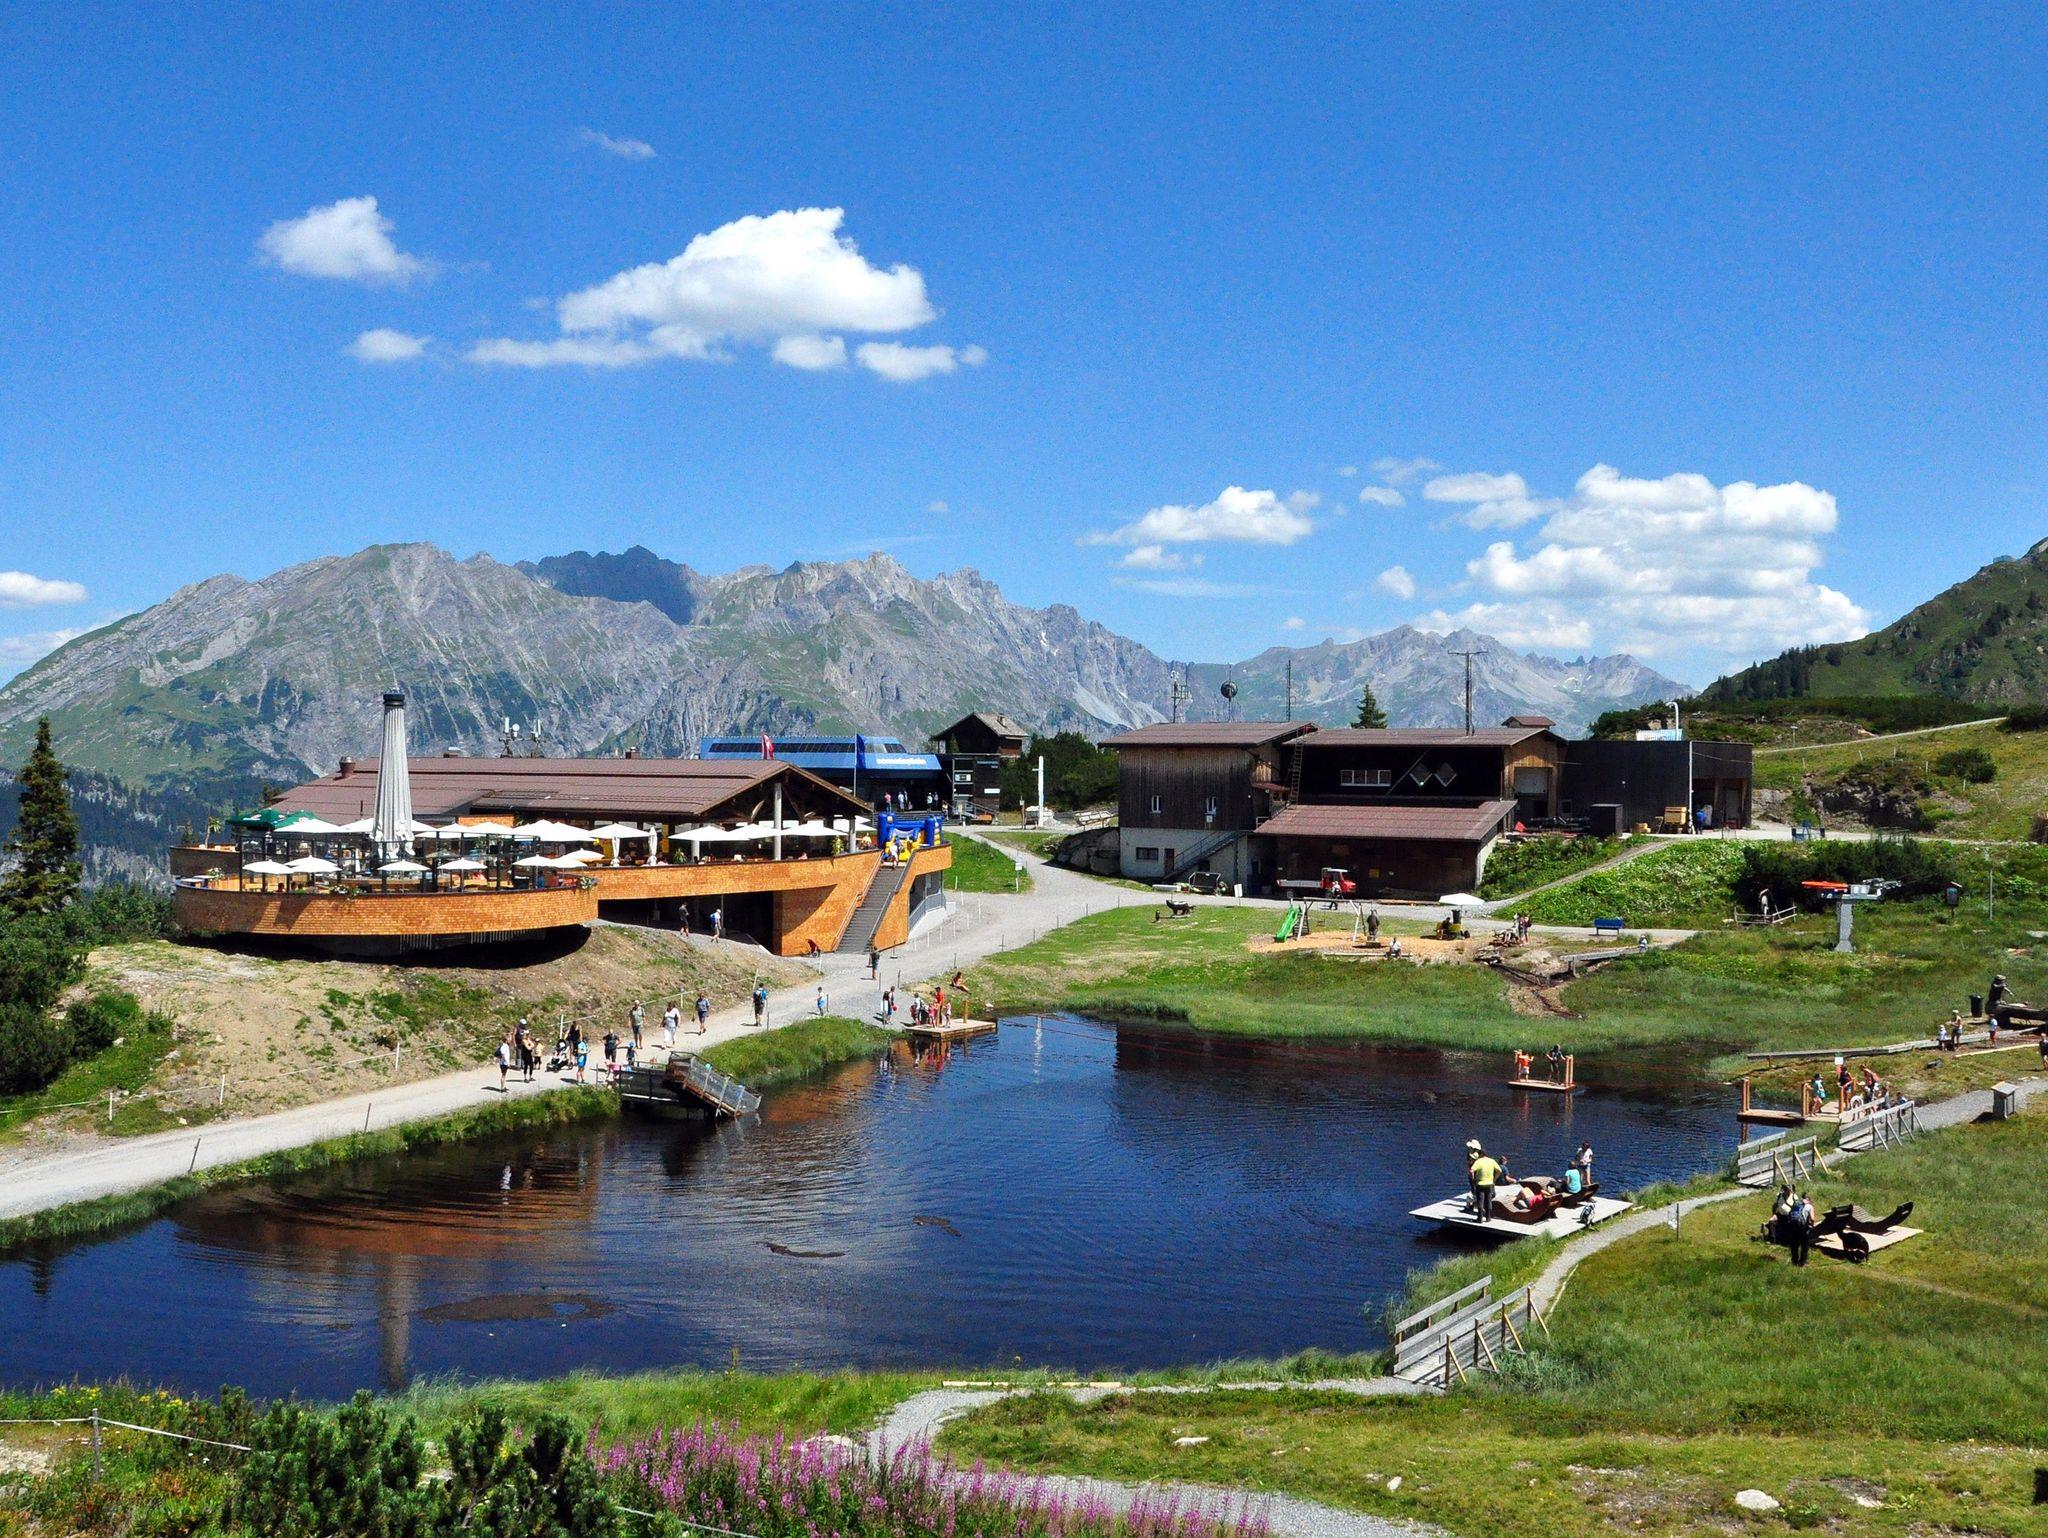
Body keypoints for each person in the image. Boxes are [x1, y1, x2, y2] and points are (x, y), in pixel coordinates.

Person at [1468, 1144, 1505, 1221]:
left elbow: (1471, 1171)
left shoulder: (1478, 1161)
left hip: (1480, 1184)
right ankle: (1488, 1218)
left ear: (1481, 1154)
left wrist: (1473, 1179)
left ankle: (1480, 1218)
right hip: (1490, 1184)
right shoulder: (1492, 1161)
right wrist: (1494, 1179)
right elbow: (1499, 1171)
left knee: (1480, 1201)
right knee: (1488, 1201)